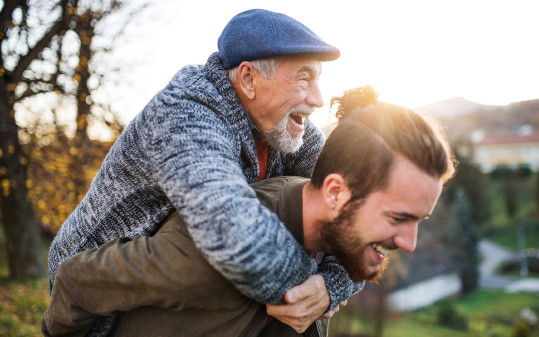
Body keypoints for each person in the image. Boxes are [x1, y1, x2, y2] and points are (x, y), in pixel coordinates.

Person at [43, 86, 456, 337]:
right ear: (335, 192)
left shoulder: (333, 239)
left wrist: (332, 287)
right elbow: (77, 282)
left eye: (419, 220)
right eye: (398, 218)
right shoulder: (217, 252)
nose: (410, 243)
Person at [47, 8, 358, 336]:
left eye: (318, 79)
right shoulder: (185, 114)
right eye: (304, 77)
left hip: (190, 275)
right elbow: (235, 234)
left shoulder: (294, 129)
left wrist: (330, 286)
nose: (319, 99)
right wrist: (311, 289)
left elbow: (357, 215)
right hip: (99, 294)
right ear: (248, 78)